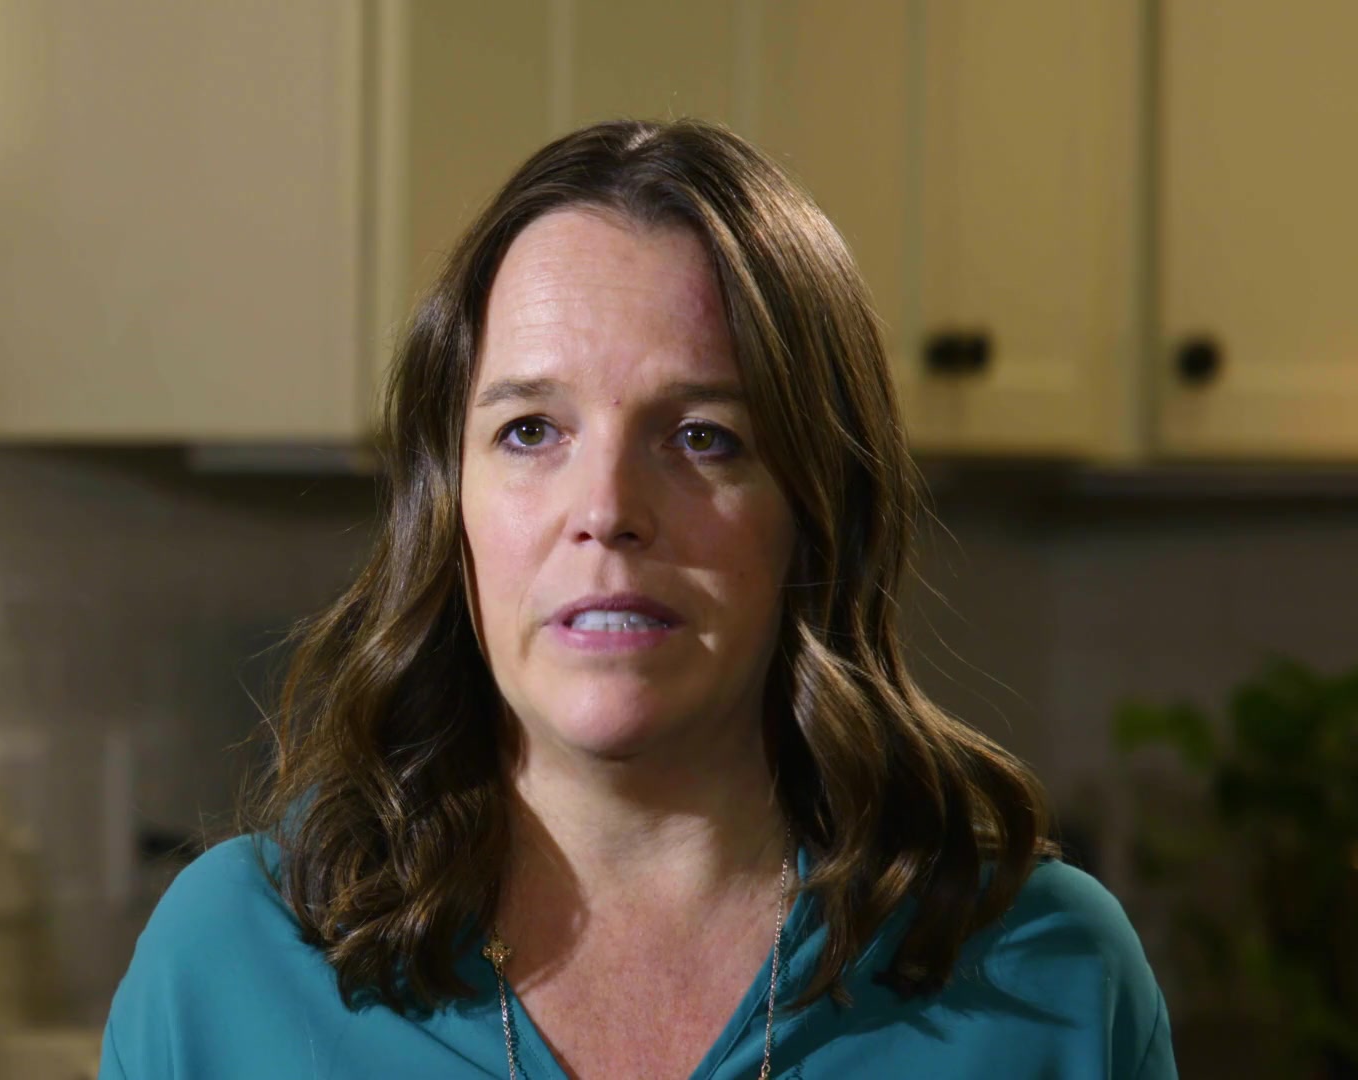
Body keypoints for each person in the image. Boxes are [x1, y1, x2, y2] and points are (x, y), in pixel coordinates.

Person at [100, 118, 1175, 1079]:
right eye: (530, 430)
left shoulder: (1051, 979)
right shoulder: (229, 963)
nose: (607, 509)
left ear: (819, 506)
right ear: (448, 504)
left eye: (703, 436)